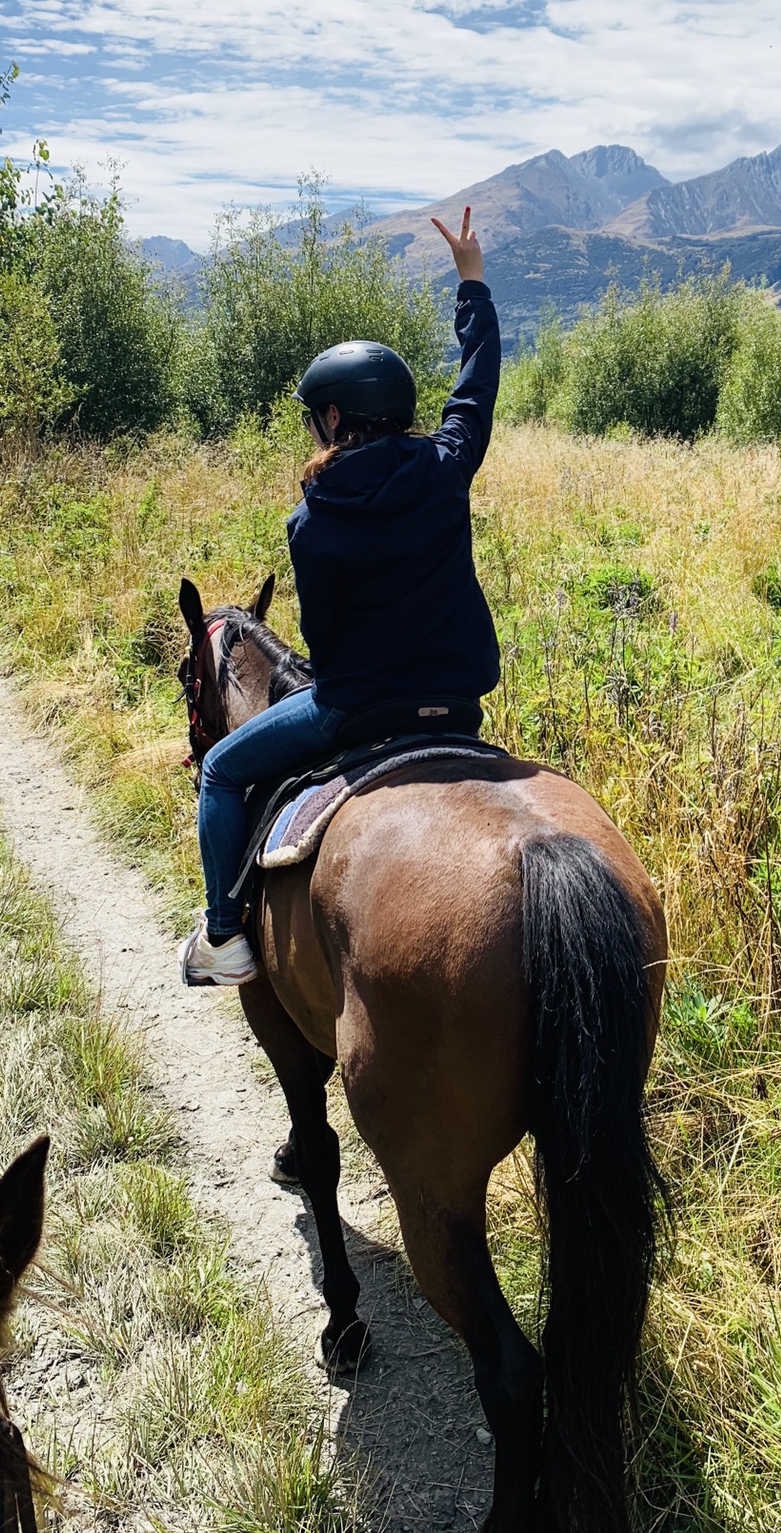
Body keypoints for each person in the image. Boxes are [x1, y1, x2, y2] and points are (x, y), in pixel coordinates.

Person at [179, 207, 501, 986]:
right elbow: (476, 385)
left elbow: (324, 649)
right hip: (459, 702)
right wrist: (472, 283)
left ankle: (224, 936)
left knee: (222, 771)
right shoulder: (445, 464)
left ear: (332, 417)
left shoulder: (310, 522)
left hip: (356, 706)